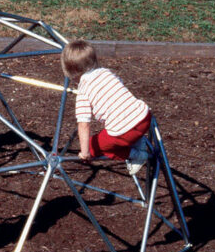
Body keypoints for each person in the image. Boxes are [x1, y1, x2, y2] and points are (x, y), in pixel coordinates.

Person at [60, 39, 153, 175]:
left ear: (72, 72)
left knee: (94, 146)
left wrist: (85, 152)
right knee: (123, 122)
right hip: (144, 116)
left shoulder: (83, 91)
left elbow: (83, 124)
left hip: (124, 132)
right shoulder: (106, 72)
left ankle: (136, 156)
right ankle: (139, 141)